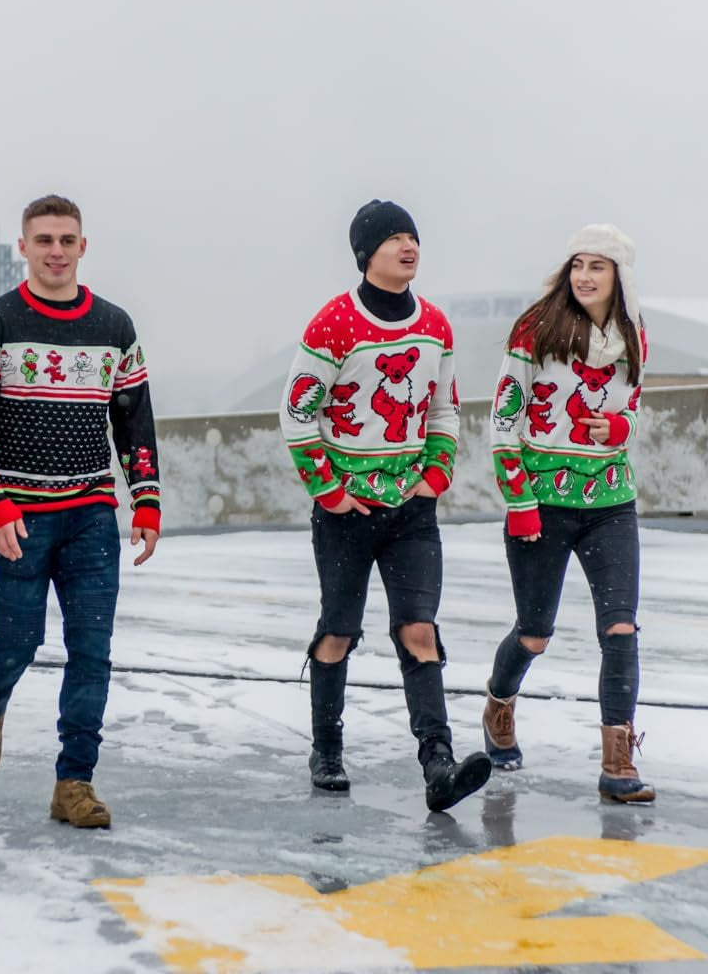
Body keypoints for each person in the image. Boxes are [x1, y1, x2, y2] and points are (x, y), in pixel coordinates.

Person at [0, 194, 161, 829]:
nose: (55, 251)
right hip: (18, 514)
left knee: (92, 650)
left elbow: (135, 422)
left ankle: (74, 782)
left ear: (83, 247)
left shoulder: (114, 327)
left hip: (91, 513)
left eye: (66, 240)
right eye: (43, 240)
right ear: (24, 247)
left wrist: (146, 501)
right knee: (17, 641)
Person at [279, 199, 491, 813]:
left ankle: (438, 764)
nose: (409, 247)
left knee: (418, 630)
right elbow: (296, 412)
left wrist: (437, 472)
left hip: (411, 513)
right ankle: (326, 749)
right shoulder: (333, 324)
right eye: (394, 238)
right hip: (346, 514)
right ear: (366, 254)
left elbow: (446, 407)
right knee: (339, 632)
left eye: (413, 237)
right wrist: (329, 490)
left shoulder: (436, 325)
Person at [484, 223, 653, 803]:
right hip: (543, 504)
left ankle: (618, 761)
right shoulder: (536, 328)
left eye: (597, 266)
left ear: (619, 277)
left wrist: (623, 425)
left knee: (621, 628)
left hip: (611, 500)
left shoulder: (635, 334)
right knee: (534, 634)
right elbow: (504, 421)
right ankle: (499, 705)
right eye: (578, 264)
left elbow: (632, 404)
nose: (584, 276)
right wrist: (520, 500)